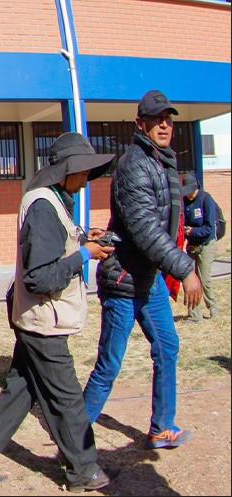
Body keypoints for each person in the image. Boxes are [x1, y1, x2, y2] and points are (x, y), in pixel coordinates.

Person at [0, 132, 114, 491]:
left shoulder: (52, 200)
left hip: (37, 317)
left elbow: (53, 250)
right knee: (68, 399)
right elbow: (41, 276)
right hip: (44, 319)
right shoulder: (44, 205)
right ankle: (84, 470)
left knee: (19, 394)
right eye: (83, 170)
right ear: (66, 170)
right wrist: (85, 254)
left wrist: (83, 239)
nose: (87, 177)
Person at [83, 90, 202, 450]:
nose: (165, 124)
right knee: (109, 366)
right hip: (123, 280)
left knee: (167, 346)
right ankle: (73, 443)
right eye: (156, 119)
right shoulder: (134, 164)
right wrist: (184, 268)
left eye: (169, 118)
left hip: (147, 280)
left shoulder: (163, 161)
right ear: (141, 123)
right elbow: (146, 230)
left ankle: (162, 427)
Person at [181, 174, 219, 322]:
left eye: (190, 191)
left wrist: (193, 232)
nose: (188, 194)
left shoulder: (206, 200)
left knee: (204, 280)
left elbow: (209, 227)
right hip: (191, 245)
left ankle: (212, 306)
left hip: (205, 244)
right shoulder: (185, 201)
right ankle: (195, 315)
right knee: (191, 280)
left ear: (196, 188)